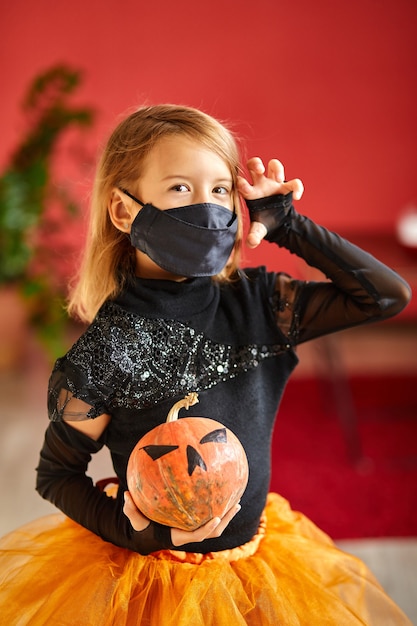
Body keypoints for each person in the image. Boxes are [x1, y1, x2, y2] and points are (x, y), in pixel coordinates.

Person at [0, 104, 412, 625]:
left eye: (220, 190)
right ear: (124, 211)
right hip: (154, 580)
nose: (207, 207)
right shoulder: (108, 351)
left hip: (256, 566)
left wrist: (289, 226)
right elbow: (56, 473)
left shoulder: (261, 305)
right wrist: (136, 534)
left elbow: (385, 297)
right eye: (180, 188)